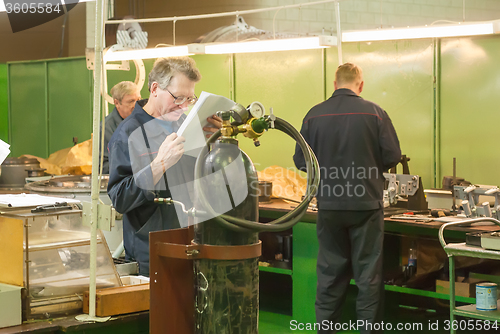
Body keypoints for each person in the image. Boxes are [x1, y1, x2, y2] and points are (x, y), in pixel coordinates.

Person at [293, 63, 401, 333]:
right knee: (368, 277)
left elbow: (300, 160)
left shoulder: (313, 116)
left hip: (329, 205)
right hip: (366, 207)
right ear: (360, 85)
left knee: (329, 276)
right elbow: (392, 157)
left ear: (334, 84)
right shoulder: (376, 114)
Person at [107, 57, 221, 276]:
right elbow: (120, 198)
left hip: (189, 242)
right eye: (178, 97)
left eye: (190, 98)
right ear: (155, 88)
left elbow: (200, 180)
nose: (184, 105)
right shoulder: (127, 135)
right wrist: (159, 165)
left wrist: (214, 144)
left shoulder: (184, 126)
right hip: (151, 254)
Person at [99, 81, 141, 174]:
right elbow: (103, 166)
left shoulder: (144, 121)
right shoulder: (105, 129)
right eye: (131, 101)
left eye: (138, 99)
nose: (137, 105)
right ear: (117, 103)